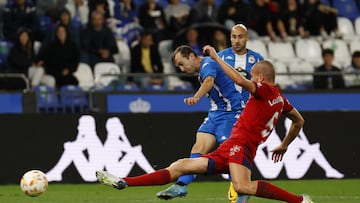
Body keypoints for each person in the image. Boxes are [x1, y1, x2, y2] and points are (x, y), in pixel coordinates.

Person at [96, 45, 314, 203]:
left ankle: (300, 201)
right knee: (180, 165)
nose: (252, 80)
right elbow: (299, 120)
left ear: (261, 77)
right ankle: (125, 182)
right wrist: (284, 144)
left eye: (254, 77)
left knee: (242, 186)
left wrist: (218, 57)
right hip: (232, 147)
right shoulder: (281, 99)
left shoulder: (264, 90)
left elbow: (239, 80)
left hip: (242, 144)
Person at [159, 24, 263, 203]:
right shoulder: (219, 58)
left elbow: (208, 81)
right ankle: (182, 185)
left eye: (182, 65)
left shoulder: (209, 63)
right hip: (215, 113)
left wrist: (196, 97)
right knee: (198, 148)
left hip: (232, 112)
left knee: (232, 153)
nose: (182, 70)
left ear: (192, 56)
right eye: (233, 37)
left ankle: (242, 188)